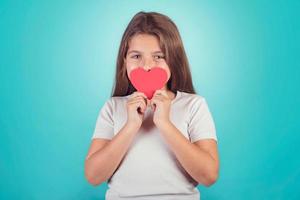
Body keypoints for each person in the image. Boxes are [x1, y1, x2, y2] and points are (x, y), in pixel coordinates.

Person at [84, 11, 219, 200]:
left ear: (174, 60)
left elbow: (209, 175)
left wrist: (164, 123)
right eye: (136, 56)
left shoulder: (194, 105)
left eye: (158, 56)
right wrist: (131, 125)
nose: (147, 66)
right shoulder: (113, 107)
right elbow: (93, 176)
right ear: (124, 61)